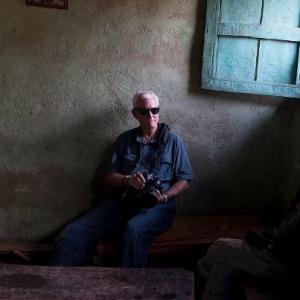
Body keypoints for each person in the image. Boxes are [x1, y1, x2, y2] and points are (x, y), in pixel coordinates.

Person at [49, 90, 193, 268]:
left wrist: (162, 197)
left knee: (134, 231)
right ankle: (57, 284)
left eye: (155, 110)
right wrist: (127, 180)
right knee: (74, 232)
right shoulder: (125, 140)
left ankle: (129, 289)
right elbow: (109, 176)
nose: (151, 115)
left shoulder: (173, 141)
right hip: (124, 202)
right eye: (144, 111)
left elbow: (184, 181)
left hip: (157, 206)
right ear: (135, 114)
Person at [197, 189, 300, 300]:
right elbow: (279, 233)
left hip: (276, 264)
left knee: (220, 245)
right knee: (221, 269)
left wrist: (269, 242)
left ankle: (202, 267)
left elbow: (284, 248)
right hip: (271, 251)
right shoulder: (295, 214)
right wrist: (267, 236)